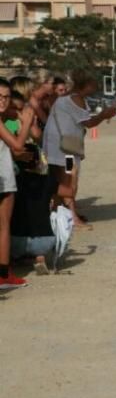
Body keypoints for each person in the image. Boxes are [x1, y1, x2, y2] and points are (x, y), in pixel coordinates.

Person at [41, 69, 116, 228]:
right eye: (93, 85)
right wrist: (105, 114)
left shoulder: (65, 98)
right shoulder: (76, 99)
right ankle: (73, 217)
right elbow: (88, 123)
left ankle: (57, 213)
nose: (95, 88)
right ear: (86, 85)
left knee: (58, 180)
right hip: (66, 149)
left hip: (56, 145)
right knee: (70, 179)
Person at [0, 78, 38, 289]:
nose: (3, 101)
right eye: (0, 97)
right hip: (2, 177)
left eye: (6, 97)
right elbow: (17, 145)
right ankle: (4, 275)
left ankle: (5, 272)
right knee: (3, 226)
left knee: (4, 226)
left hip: (5, 174)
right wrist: (26, 121)